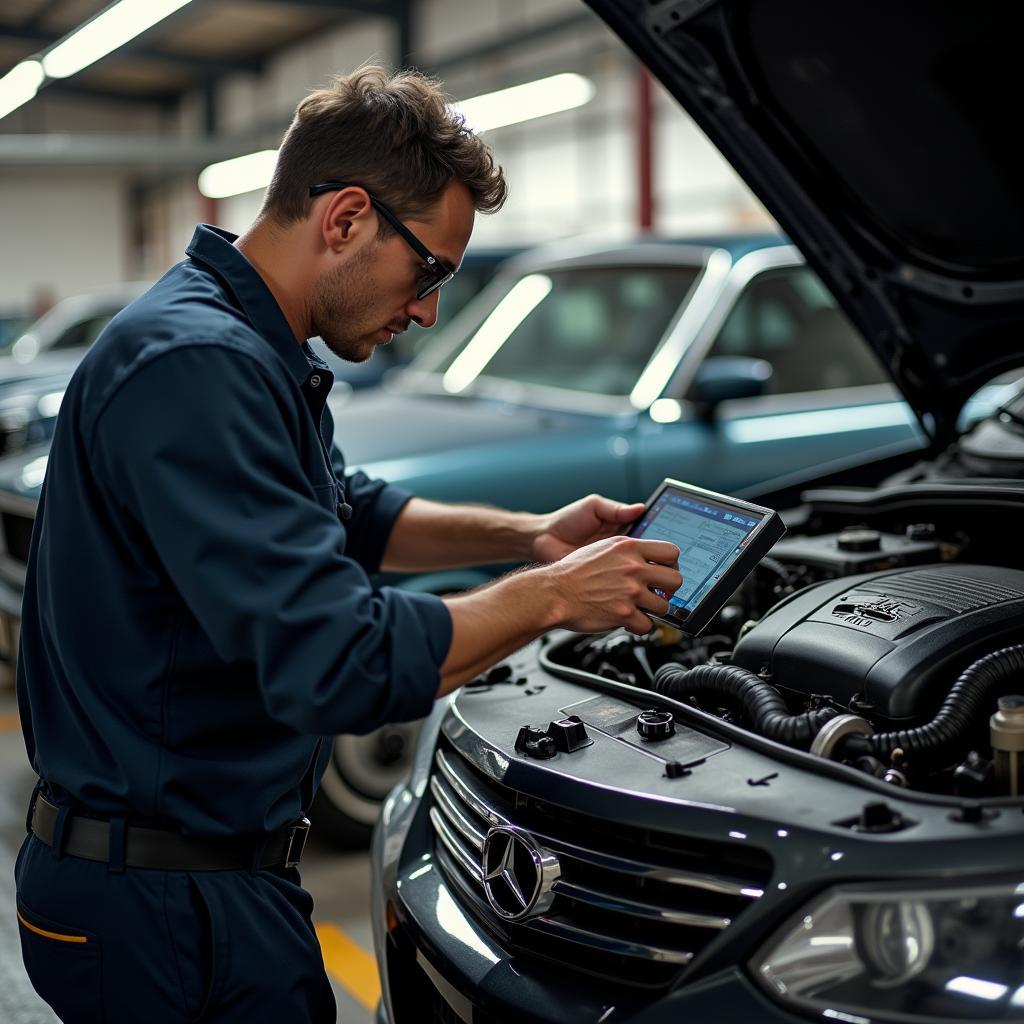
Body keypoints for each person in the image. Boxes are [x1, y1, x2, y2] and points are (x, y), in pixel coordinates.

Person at [14, 65, 682, 1023]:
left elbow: (349, 512)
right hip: (162, 904)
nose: (427, 311)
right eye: (431, 270)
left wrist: (533, 538)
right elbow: (332, 661)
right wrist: (554, 599)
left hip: (201, 877)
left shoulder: (244, 343)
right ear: (347, 219)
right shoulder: (199, 366)